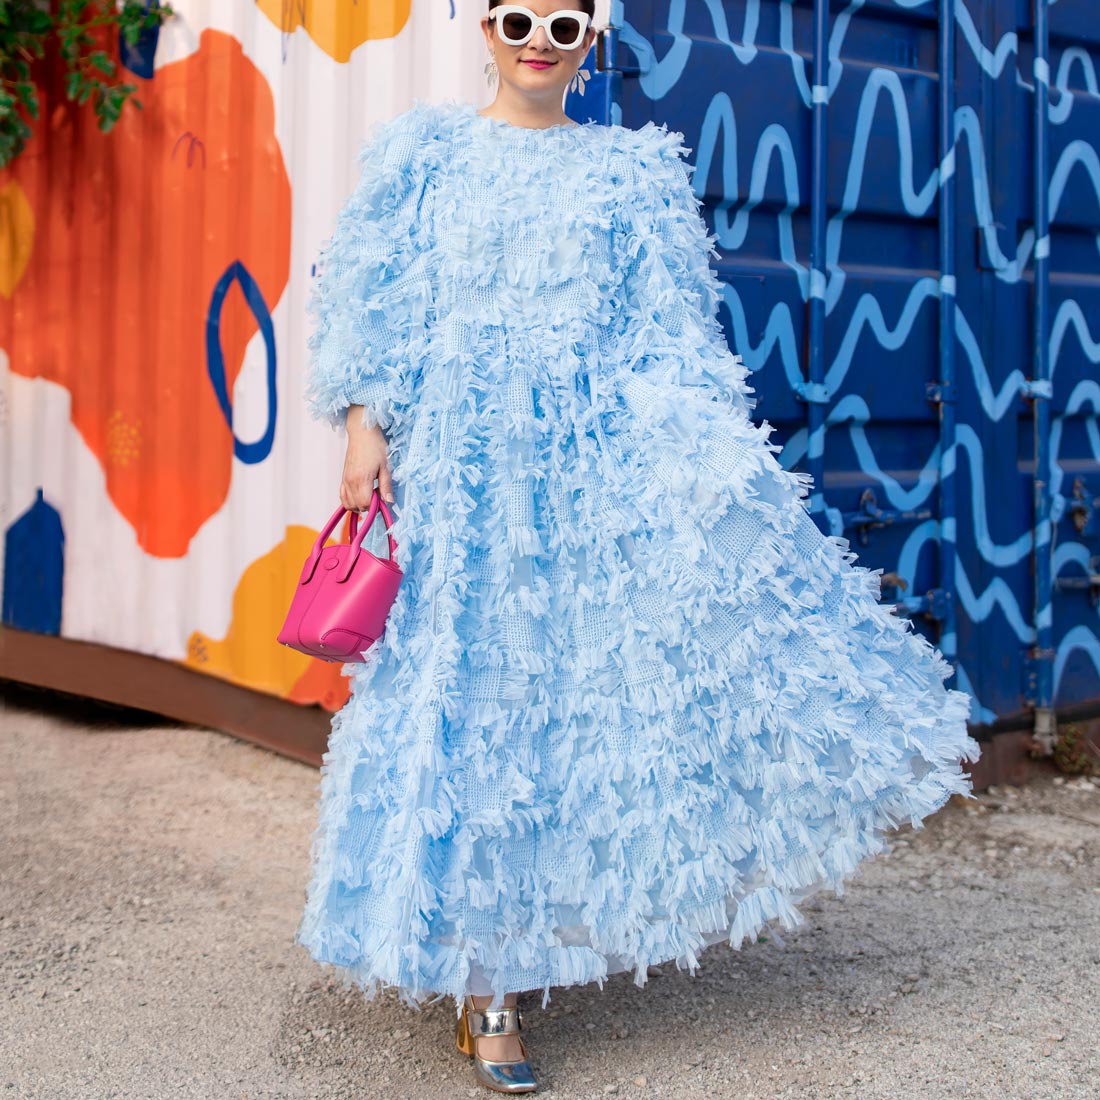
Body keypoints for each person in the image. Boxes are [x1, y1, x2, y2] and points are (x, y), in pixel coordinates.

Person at [293, 1, 982, 1094]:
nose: (538, 40)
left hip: (585, 471)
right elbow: (373, 294)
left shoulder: (631, 174)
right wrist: (365, 431)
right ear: (483, 26)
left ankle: (520, 954)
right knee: (472, 699)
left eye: (564, 23)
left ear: (590, 40)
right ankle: (490, 983)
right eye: (519, 17)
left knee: (568, 712)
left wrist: (704, 468)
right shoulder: (425, 153)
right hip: (463, 475)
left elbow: (671, 334)